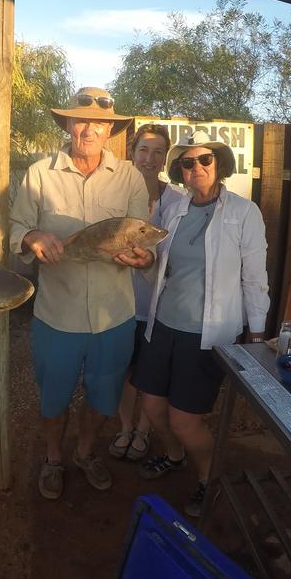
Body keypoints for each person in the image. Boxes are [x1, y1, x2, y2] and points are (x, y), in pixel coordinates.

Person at [9, 86, 152, 500]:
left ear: (110, 129)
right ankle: (54, 458)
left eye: (99, 123)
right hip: (57, 314)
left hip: (114, 315)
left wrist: (141, 257)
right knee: (53, 398)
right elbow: (16, 229)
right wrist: (33, 236)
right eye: (81, 120)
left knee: (103, 397)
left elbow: (139, 236)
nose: (89, 129)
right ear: (68, 124)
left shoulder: (129, 178)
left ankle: (86, 452)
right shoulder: (40, 174)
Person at [132, 131, 269, 518]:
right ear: (181, 170)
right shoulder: (174, 211)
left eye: (205, 160)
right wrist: (146, 265)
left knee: (185, 419)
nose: (197, 169)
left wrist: (256, 332)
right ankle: (174, 457)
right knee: (153, 406)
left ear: (219, 164)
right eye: (188, 163)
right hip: (163, 325)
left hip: (207, 334)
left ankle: (209, 476)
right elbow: (163, 270)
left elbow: (255, 278)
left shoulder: (244, 212)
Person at [109, 124, 185, 463]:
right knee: (124, 371)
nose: (149, 158)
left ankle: (144, 430)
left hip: (156, 306)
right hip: (118, 303)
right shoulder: (113, 195)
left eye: (157, 152)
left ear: (165, 158)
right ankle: (125, 428)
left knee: (148, 375)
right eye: (143, 150)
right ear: (132, 152)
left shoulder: (178, 202)